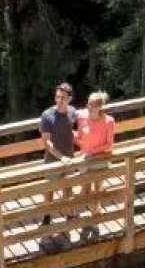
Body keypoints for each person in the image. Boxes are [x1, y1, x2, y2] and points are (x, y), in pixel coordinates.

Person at [39, 82, 78, 234]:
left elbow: (76, 131)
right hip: (52, 160)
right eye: (57, 96)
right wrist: (61, 157)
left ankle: (69, 217)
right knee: (49, 190)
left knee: (68, 188)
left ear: (70, 99)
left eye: (63, 97)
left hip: (69, 157)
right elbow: (46, 143)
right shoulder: (47, 116)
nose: (59, 100)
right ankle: (47, 218)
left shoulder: (73, 112)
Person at [76, 91, 116, 241]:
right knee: (85, 191)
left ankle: (95, 219)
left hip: (100, 159)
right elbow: (79, 136)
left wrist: (93, 152)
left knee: (97, 191)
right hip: (86, 159)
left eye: (92, 105)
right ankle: (94, 213)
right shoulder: (81, 117)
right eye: (88, 104)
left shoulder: (109, 121)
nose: (88, 107)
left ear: (100, 107)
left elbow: (109, 144)